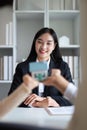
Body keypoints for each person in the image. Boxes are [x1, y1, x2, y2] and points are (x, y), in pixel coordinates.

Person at [8, 27, 74, 107]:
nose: (43, 47)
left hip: (53, 116)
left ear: (54, 46)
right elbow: (12, 97)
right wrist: (37, 104)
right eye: (40, 42)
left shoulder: (62, 67)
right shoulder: (22, 67)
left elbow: (71, 98)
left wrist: (49, 100)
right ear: (35, 43)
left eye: (48, 43)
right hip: (28, 115)